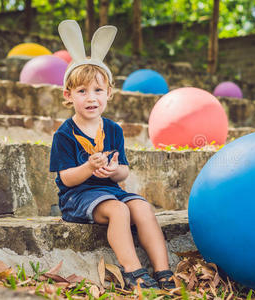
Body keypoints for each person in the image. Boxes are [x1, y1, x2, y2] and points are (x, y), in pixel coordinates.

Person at [49, 20, 175, 290]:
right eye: (82, 91)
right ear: (68, 95)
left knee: (142, 208)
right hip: (77, 197)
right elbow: (67, 179)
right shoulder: (64, 134)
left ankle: (164, 270)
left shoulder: (113, 129)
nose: (91, 97)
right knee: (119, 211)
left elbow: (124, 171)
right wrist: (87, 168)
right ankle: (133, 272)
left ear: (109, 92)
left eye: (97, 90)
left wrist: (113, 171)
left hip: (110, 189)